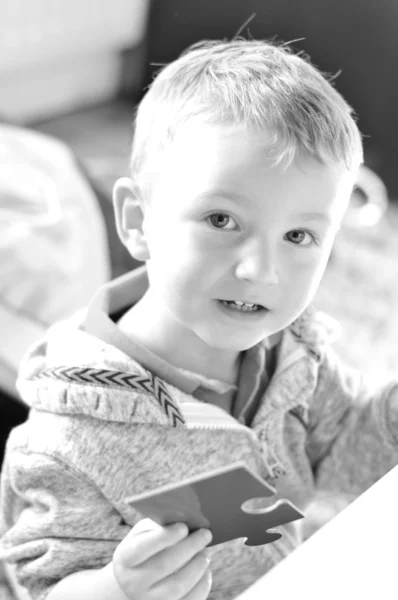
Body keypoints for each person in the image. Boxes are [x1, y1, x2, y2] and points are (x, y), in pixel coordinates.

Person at [1, 38, 397, 600]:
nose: (262, 270)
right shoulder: (68, 441)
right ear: (138, 221)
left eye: (299, 236)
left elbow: (348, 445)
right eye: (221, 219)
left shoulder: (295, 356)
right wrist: (117, 588)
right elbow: (37, 587)